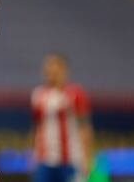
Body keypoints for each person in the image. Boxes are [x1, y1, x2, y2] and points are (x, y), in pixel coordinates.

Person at [31, 54, 93, 182]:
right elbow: (37, 127)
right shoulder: (38, 95)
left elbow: (84, 127)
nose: (50, 72)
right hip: (45, 160)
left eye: (54, 68)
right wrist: (34, 155)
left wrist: (87, 159)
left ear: (63, 70)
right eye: (48, 69)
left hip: (70, 160)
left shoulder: (75, 94)